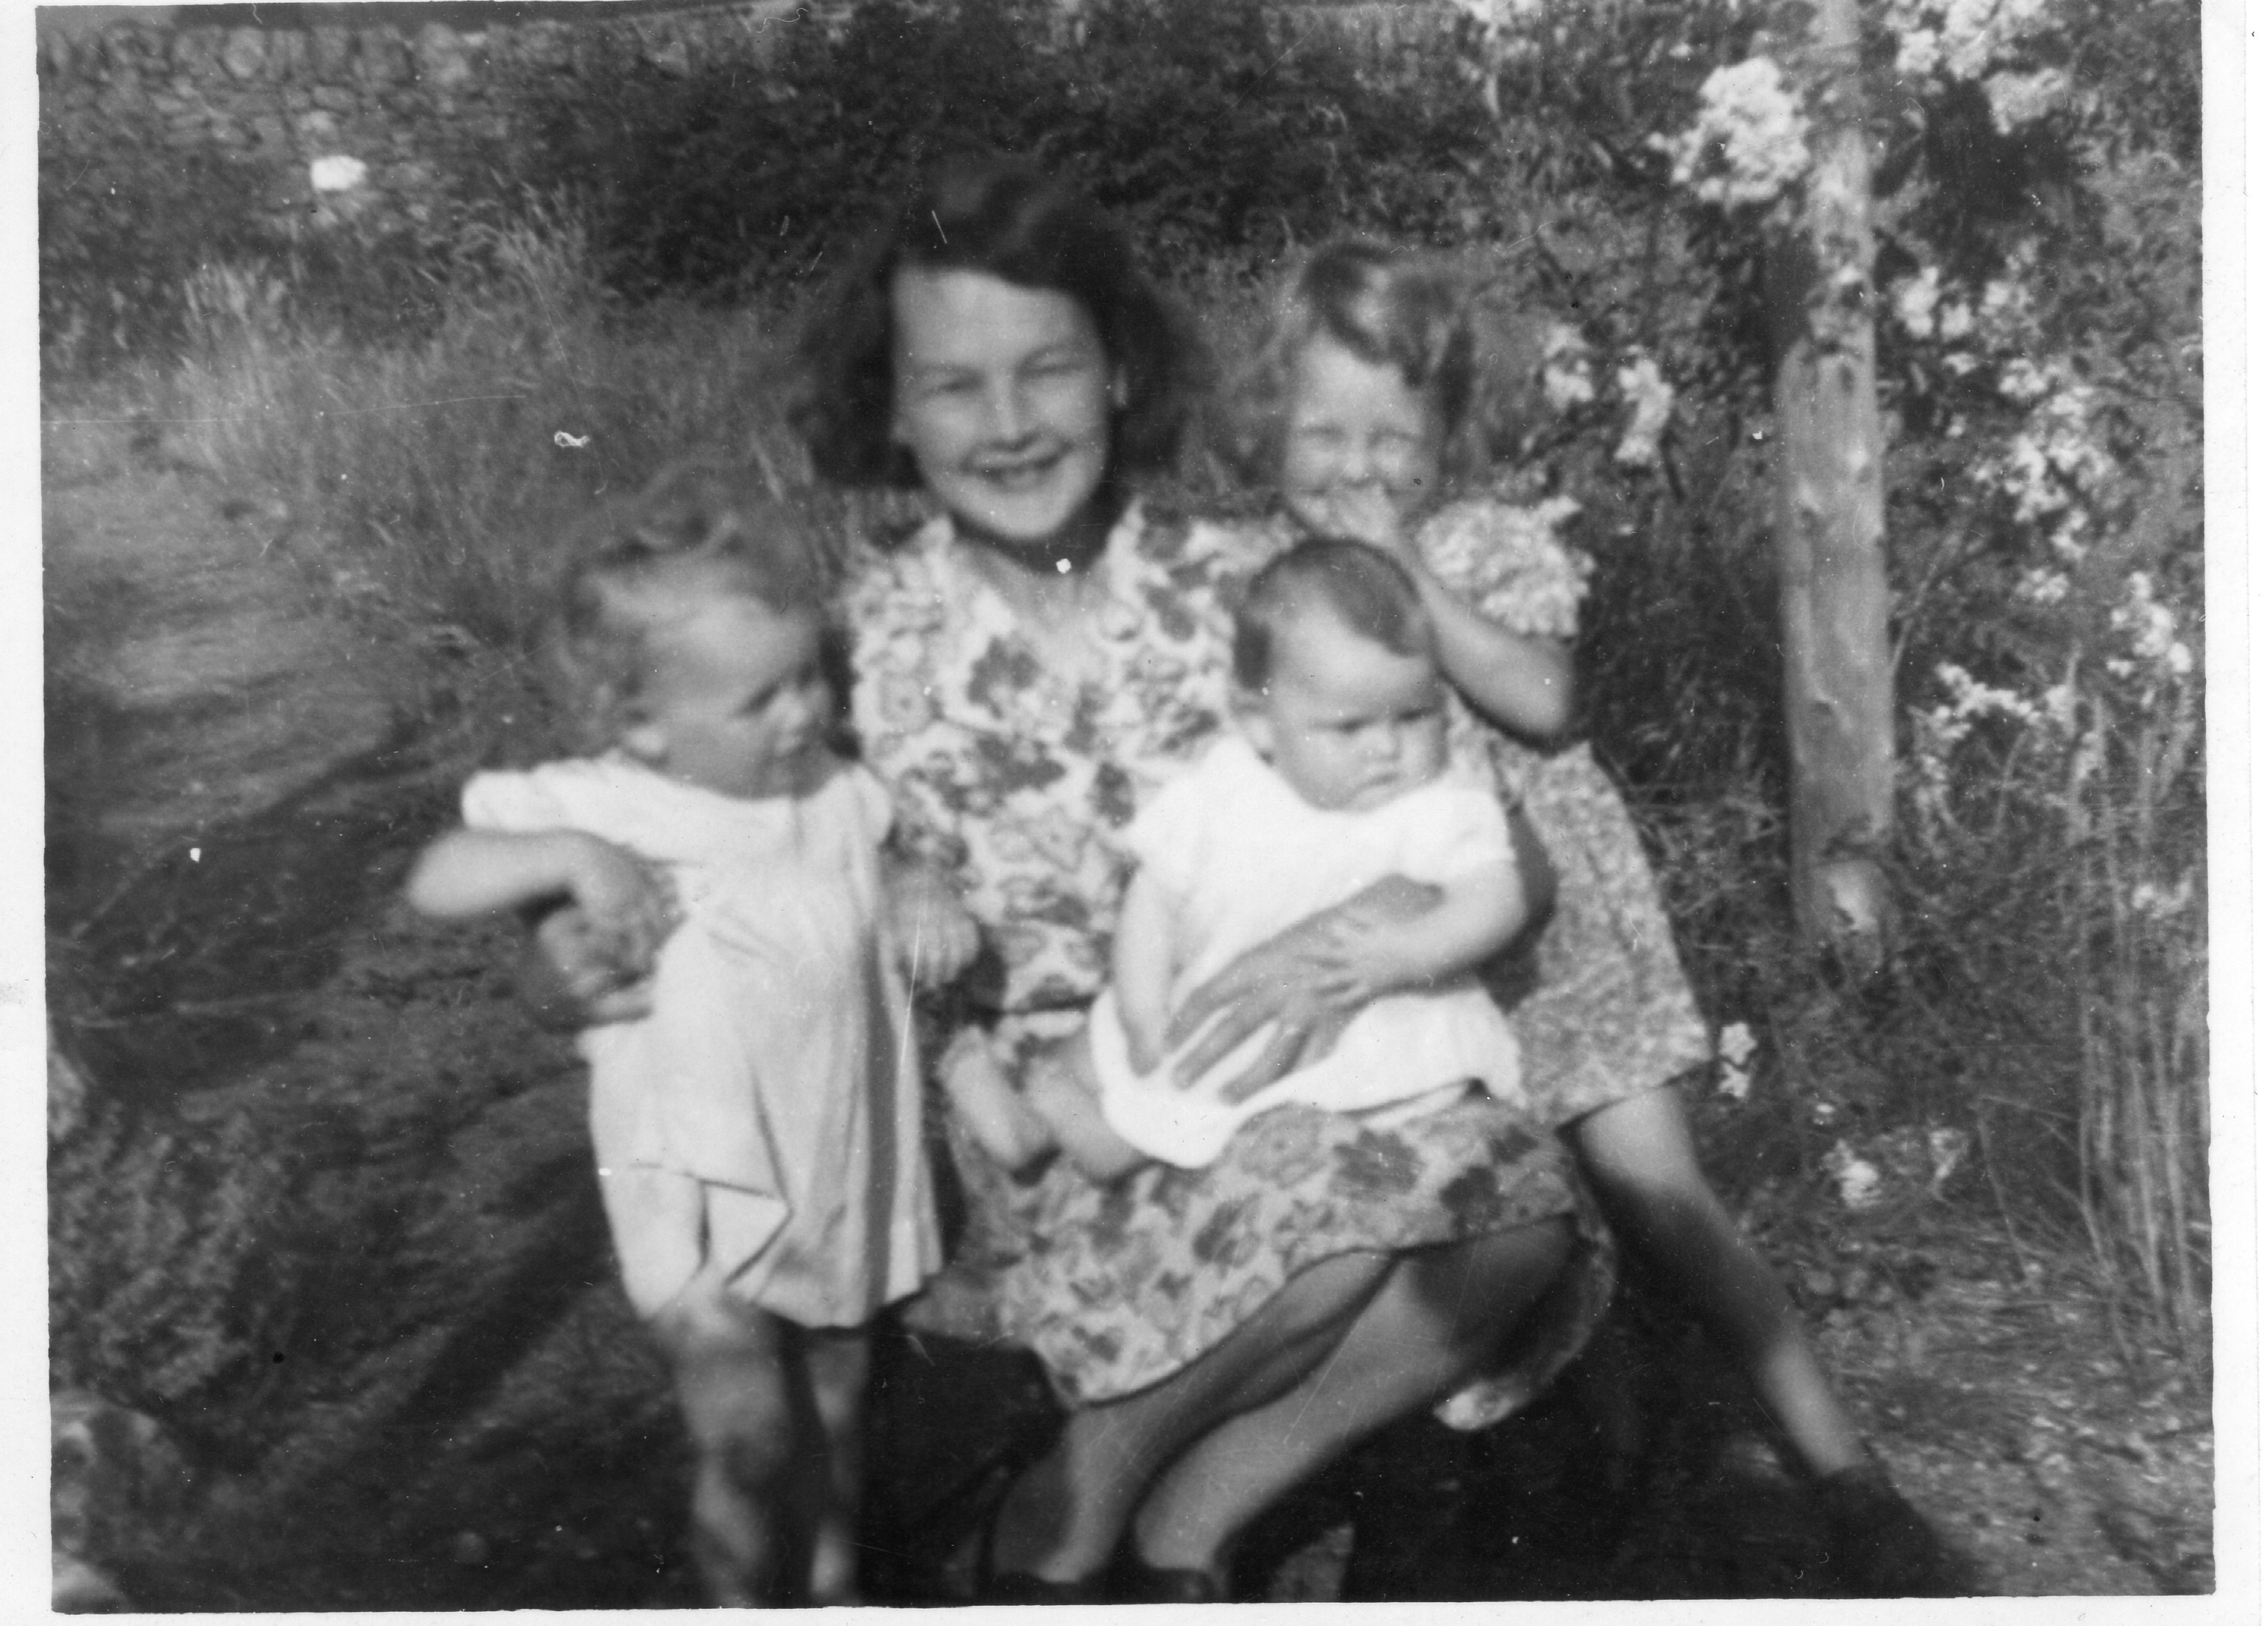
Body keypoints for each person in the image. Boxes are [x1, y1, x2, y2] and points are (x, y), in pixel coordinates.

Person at [542, 156, 1614, 1603]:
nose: (1004, 425)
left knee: (1517, 1208)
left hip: (1283, 1044)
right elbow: (695, 858)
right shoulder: (850, 649)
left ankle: (1184, 1507)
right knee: (1354, 1209)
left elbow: (1473, 823)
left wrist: (1366, 934)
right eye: (951, 386)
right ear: (893, 410)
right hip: (1039, 1131)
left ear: (1116, 374)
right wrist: (595, 932)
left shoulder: (1245, 580)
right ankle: (1080, 1496)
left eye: (1045, 369)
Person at [1211, 236, 1956, 1595]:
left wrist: (1405, 581)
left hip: (1555, 954)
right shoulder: (1258, 574)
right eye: (1323, 433)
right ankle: (1377, 1486)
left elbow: (1544, 704)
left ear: (1447, 438)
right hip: (1406, 954)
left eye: (1395, 437)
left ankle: (1843, 1475)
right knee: (1405, 1222)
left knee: (1658, 1196)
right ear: (1267, 429)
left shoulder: (1483, 547)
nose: (1357, 469)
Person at [404, 462, 949, 1606]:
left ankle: (836, 1582)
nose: (804, 712)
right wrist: (567, 859)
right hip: (696, 1176)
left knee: (841, 1394)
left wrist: (919, 892)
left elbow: (892, 857)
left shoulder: (836, 794)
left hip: (838, 1159)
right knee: (747, 1429)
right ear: (641, 726)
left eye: (809, 678)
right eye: (762, 701)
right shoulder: (613, 802)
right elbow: (440, 876)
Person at [949, 535, 1540, 1181]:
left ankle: (1109, 1143)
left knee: (1232, 1090)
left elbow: (1496, 896)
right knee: (1135, 1038)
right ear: (1260, 723)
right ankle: (1033, 1118)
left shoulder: (1435, 804)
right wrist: (1142, 1008)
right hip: (1213, 989)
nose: (1387, 749)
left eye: (1415, 716)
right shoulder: (1223, 785)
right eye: (1349, 727)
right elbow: (1153, 900)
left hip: (1372, 1008)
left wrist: (1410, 953)